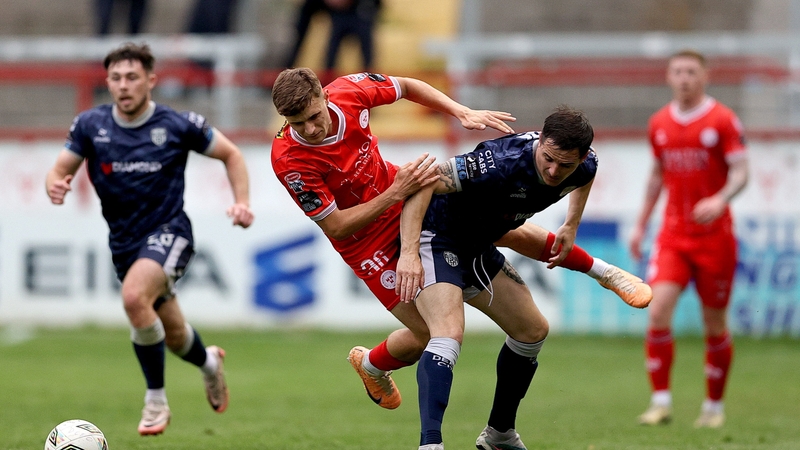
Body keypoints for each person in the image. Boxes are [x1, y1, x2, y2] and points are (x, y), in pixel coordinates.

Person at [269, 68, 650, 422]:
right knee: (427, 336)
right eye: (298, 123)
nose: (311, 128)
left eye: (314, 116)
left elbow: (409, 87)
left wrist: (459, 110)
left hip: (405, 198)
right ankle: (372, 364)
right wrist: (395, 193)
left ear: (323, 94)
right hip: (366, 241)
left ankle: (604, 271)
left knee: (500, 225)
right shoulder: (289, 159)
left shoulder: (350, 91)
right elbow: (336, 226)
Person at [394, 106, 643, 450]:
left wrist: (571, 224)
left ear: (581, 157)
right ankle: (430, 444)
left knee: (532, 331)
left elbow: (585, 176)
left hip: (480, 241)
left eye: (565, 165)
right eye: (549, 159)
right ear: (539, 141)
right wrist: (408, 253)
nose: (554, 171)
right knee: (447, 334)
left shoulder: (584, 165)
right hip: (437, 236)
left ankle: (499, 435)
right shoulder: (500, 162)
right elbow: (423, 184)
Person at [45, 42, 255, 436]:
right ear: (107, 81)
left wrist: (241, 202)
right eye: (115, 78)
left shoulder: (178, 125)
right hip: (125, 244)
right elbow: (58, 170)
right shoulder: (90, 125)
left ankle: (156, 400)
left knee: (132, 298)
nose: (123, 86)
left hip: (170, 232)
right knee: (173, 334)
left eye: (132, 77)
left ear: (151, 81)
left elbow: (232, 154)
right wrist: (55, 185)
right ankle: (209, 363)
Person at [630, 49, 748, 429]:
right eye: (677, 71)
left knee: (714, 323)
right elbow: (656, 175)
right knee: (658, 308)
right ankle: (660, 402)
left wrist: (720, 198)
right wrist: (640, 224)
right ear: (668, 77)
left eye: (691, 72)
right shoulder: (659, 123)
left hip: (715, 238)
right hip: (674, 235)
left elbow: (741, 172)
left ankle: (713, 408)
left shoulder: (723, 120)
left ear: (704, 76)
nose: (684, 78)